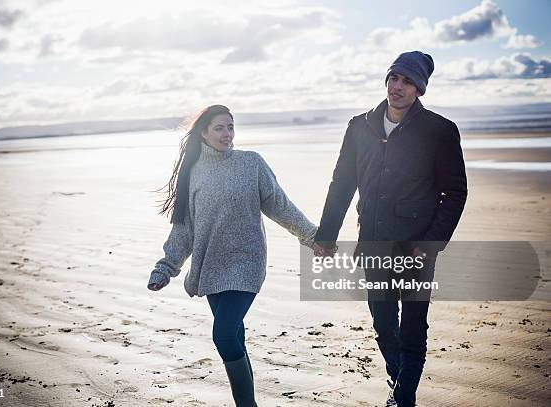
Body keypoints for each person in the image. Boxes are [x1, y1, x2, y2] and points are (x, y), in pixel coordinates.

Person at [313, 51, 468, 407]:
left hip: (416, 247)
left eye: (408, 81)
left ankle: (403, 398)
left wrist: (430, 243)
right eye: (394, 77)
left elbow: (454, 191)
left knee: (413, 329)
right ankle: (399, 380)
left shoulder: (439, 131)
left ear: (420, 89)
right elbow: (342, 183)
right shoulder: (359, 126)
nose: (398, 86)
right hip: (373, 242)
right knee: (383, 323)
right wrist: (326, 235)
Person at [147, 105, 317, 407]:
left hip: (247, 262)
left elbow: (280, 206)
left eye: (231, 127)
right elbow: (185, 229)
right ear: (203, 132)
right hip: (211, 266)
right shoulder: (194, 174)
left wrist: (312, 235)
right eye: (219, 128)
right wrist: (166, 267)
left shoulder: (251, 163)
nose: (227, 135)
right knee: (235, 337)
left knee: (223, 335)